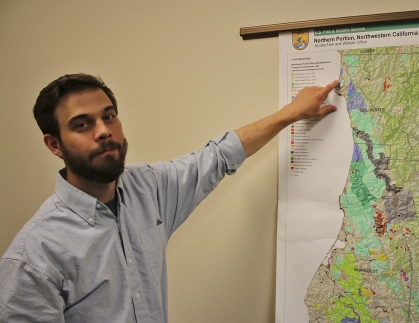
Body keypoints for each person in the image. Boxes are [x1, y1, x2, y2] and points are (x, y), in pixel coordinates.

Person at [0, 73, 339, 322]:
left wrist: (291, 113)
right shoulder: (33, 256)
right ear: (54, 144)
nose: (104, 130)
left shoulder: (147, 188)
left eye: (108, 116)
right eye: (81, 124)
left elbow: (218, 157)